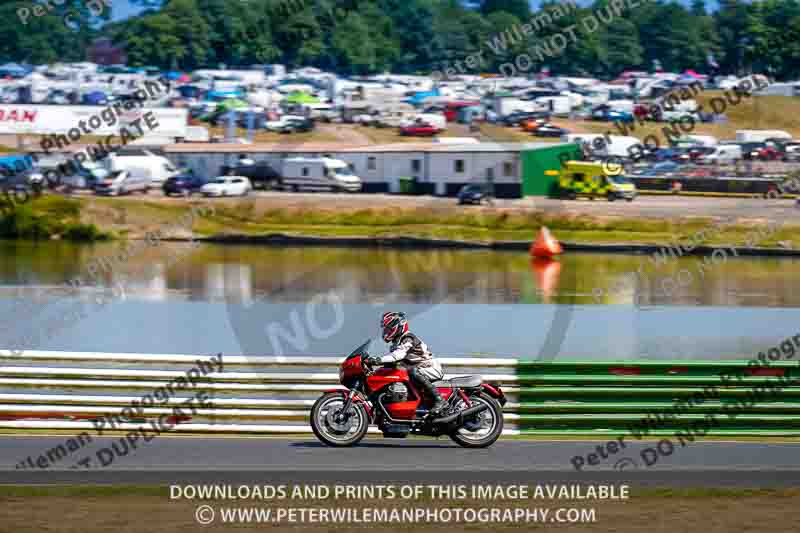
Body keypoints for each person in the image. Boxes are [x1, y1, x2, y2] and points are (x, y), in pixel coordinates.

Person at [368, 312, 447, 416]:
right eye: (386, 329)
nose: (386, 331)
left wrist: (377, 360)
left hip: (431, 368)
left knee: (412, 372)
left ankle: (440, 400)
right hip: (421, 369)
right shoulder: (397, 342)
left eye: (389, 328)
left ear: (398, 326)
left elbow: (397, 356)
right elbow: (391, 363)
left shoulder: (408, 338)